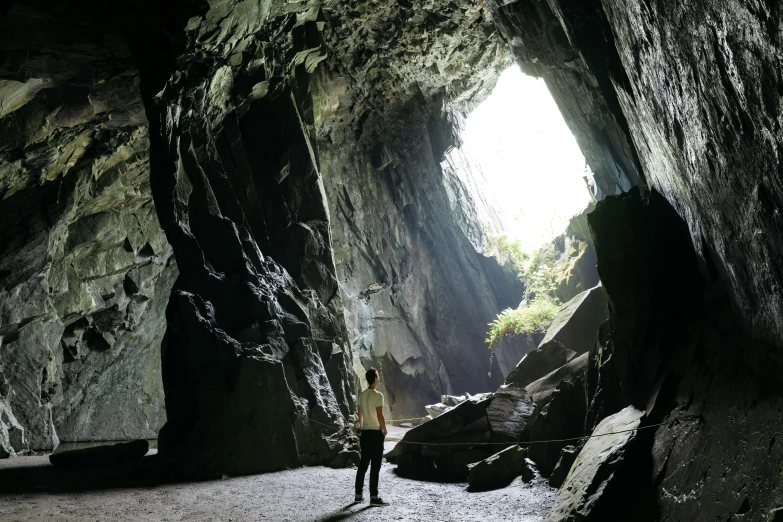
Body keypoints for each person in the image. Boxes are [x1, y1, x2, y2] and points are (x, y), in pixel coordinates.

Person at [354, 367, 390, 507]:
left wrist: (362, 427)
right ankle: (374, 497)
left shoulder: (362, 395)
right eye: (378, 376)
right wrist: (385, 430)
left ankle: (358, 495)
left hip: (366, 433)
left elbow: (360, 415)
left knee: (363, 465)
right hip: (376, 433)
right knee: (375, 467)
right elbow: (380, 415)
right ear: (375, 379)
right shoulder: (378, 395)